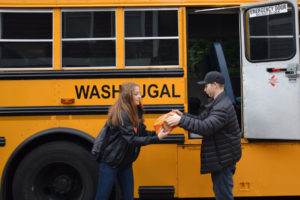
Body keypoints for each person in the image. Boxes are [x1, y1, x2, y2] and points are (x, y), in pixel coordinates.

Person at [165, 71, 241, 200]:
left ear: (215, 84)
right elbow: (202, 119)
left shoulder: (222, 107)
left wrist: (180, 121)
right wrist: (183, 116)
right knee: (221, 193)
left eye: (206, 86)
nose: (204, 90)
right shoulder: (217, 102)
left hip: (223, 159)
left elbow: (206, 128)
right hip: (221, 156)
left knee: (224, 196)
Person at [94, 82, 170, 200]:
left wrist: (160, 131)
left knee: (129, 197)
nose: (140, 96)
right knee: (102, 197)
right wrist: (157, 138)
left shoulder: (136, 112)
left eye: (139, 93)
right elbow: (132, 139)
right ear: (127, 96)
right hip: (111, 162)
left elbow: (142, 133)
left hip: (125, 163)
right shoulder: (121, 115)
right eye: (136, 94)